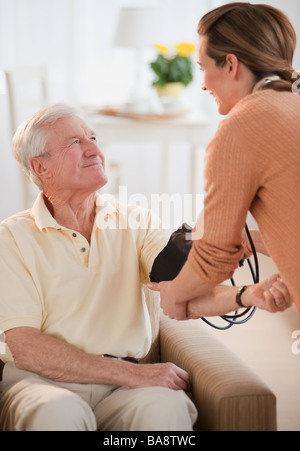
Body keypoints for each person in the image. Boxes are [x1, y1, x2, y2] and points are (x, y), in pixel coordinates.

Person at [0, 104, 198, 431]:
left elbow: (178, 275)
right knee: (57, 414)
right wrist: (134, 373)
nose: (95, 149)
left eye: (92, 137)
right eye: (75, 143)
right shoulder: (11, 238)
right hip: (43, 385)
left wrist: (245, 290)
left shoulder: (136, 220)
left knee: (166, 408)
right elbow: (27, 349)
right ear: (41, 167)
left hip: (123, 390)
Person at [149, 2, 299, 320]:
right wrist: (251, 240)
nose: (202, 84)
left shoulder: (244, 124)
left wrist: (174, 298)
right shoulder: (292, 106)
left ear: (231, 64)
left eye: (203, 67)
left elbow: (213, 258)